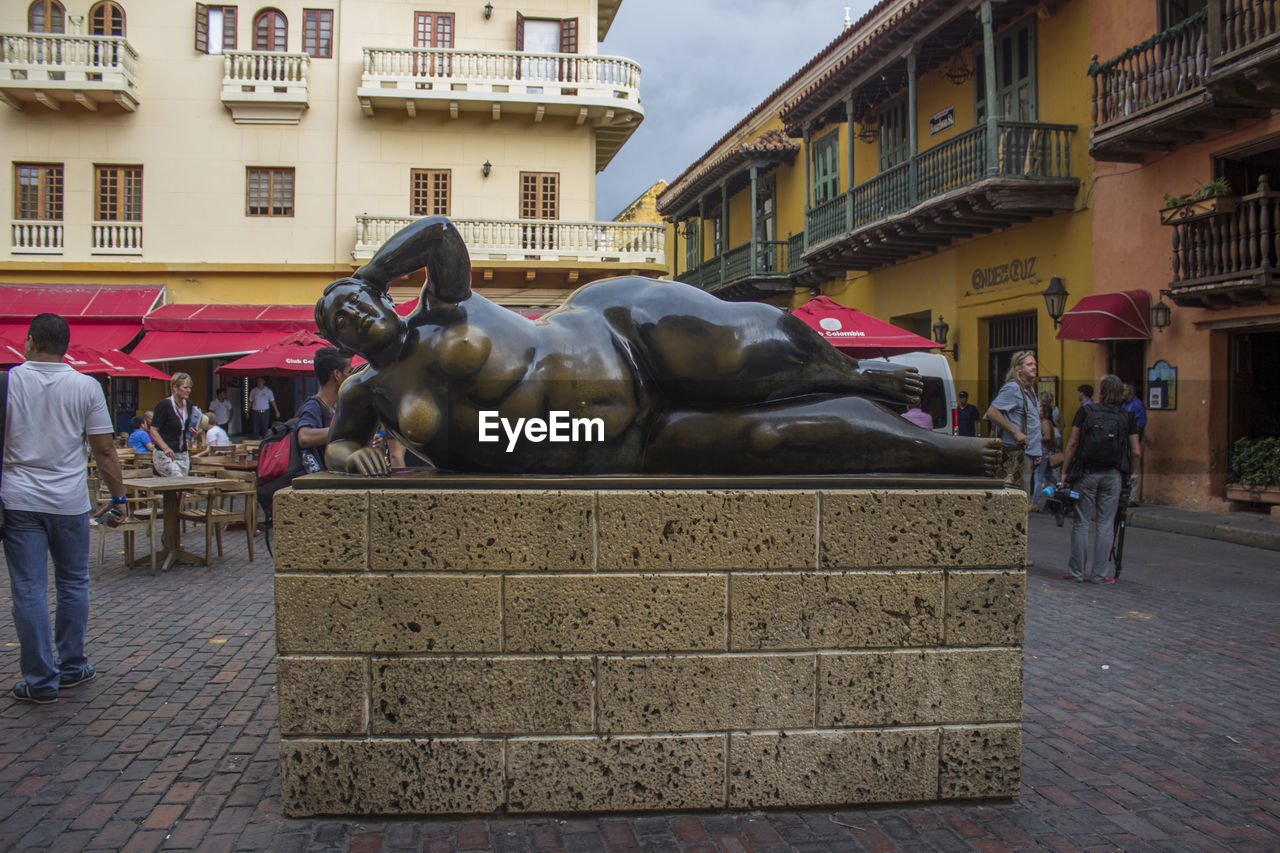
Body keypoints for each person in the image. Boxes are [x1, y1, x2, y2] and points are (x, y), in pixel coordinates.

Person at [313, 216, 1001, 478]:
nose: (351, 313)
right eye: (338, 316)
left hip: (619, 337)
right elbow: (337, 444)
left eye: (354, 298)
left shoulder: (443, 304)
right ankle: (944, 450)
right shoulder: (369, 392)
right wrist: (354, 460)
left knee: (742, 356)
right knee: (771, 438)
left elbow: (437, 231)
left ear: (379, 292)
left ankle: (856, 375)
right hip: (625, 445)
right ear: (340, 342)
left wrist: (368, 271)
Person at [3, 313, 126, 703]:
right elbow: (104, 450)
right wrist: (119, 496)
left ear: (29, 341)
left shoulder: (8, 383)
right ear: (65, 346)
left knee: (28, 588)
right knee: (73, 584)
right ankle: (72, 666)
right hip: (69, 501)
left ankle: (40, 680)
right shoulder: (86, 387)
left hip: (18, 499)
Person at [1059, 374, 1140, 583]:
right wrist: (1130, 473)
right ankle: (1100, 574)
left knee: (1081, 522)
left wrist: (1065, 470)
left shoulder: (1086, 411)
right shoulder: (1126, 417)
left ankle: (1076, 572)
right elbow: (1136, 451)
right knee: (1105, 523)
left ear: (1101, 392)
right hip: (1113, 475)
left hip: (1086, 472)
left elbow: (1073, 443)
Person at [984, 350, 1043, 501]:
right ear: (1018, 368)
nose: (1034, 367)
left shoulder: (1029, 390)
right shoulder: (1013, 388)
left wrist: (1037, 451)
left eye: (1035, 364)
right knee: (1018, 500)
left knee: (1022, 500)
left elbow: (1032, 422)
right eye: (1029, 364)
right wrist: (1016, 432)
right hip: (1016, 453)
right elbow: (991, 412)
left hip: (1028, 453)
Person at [296, 347, 351, 473]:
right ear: (337, 375)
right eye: (349, 371)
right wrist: (345, 430)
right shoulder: (313, 406)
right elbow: (304, 437)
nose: (351, 377)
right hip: (316, 485)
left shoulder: (335, 408)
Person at [149, 372, 199, 477]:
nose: (188, 390)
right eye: (185, 387)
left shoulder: (189, 404)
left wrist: (193, 433)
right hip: (165, 453)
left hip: (182, 452)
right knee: (176, 479)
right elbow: (153, 430)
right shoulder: (164, 405)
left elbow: (185, 427)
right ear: (175, 387)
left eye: (190, 387)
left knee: (182, 488)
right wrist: (165, 448)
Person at [1122, 382, 1148, 505]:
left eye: (1124, 390)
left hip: (1134, 439)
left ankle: (1133, 498)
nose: (1122, 392)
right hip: (1124, 439)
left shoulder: (1137, 405)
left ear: (1130, 391)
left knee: (1135, 468)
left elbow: (1140, 425)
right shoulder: (1124, 405)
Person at [1032, 400, 1060, 503]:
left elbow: (1047, 437)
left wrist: (1036, 438)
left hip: (1043, 452)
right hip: (1046, 452)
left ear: (1046, 413)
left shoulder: (1045, 423)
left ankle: (1034, 501)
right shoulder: (1047, 422)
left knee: (1038, 477)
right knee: (1048, 475)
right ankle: (1061, 486)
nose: (1039, 412)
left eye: (1041, 410)